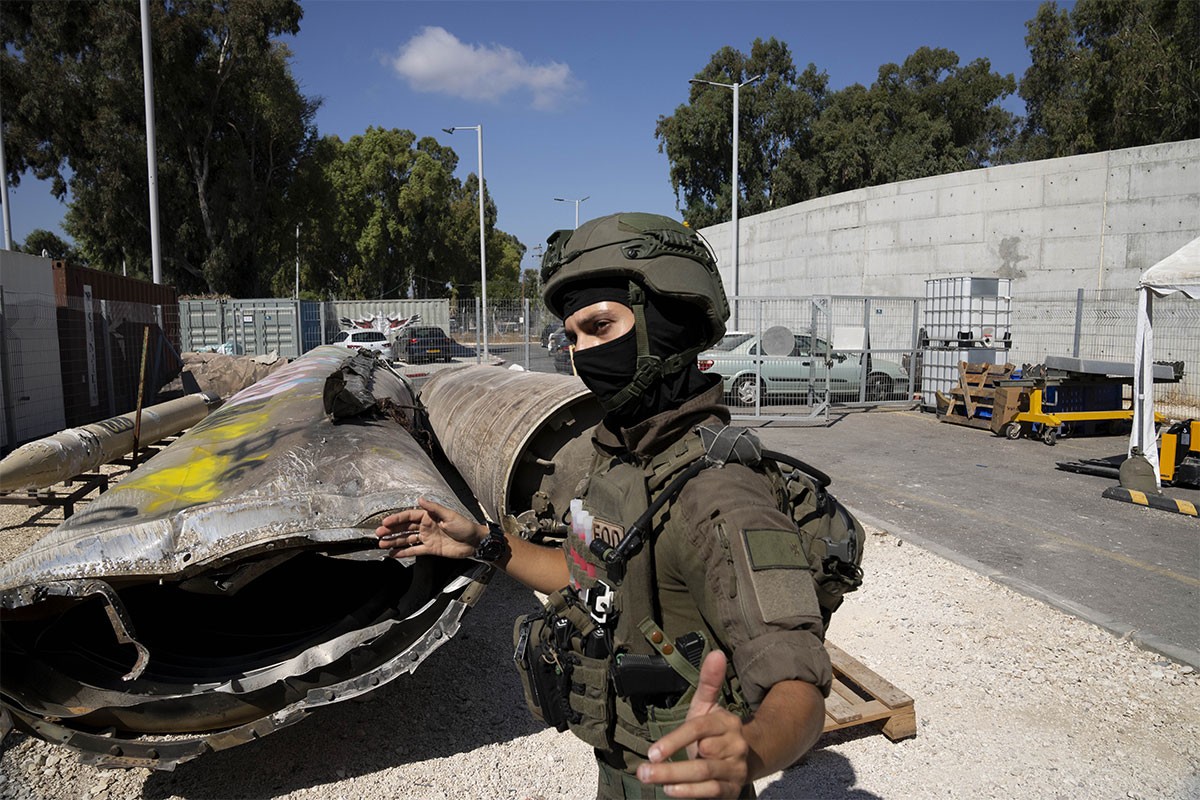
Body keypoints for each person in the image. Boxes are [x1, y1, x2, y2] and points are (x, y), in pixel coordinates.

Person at [377, 212, 831, 799]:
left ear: (665, 326)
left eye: (599, 326)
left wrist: (749, 752)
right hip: (619, 772)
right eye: (571, 337)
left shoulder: (719, 492)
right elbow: (583, 573)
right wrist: (480, 542)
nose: (580, 354)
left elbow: (798, 683)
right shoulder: (618, 461)